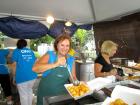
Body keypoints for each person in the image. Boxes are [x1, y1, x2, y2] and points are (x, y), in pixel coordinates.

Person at [32, 33, 77, 105]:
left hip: (61, 96)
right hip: (45, 95)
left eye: (67, 46)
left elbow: (73, 77)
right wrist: (55, 64)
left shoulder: (71, 59)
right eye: (62, 45)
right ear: (57, 45)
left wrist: (78, 83)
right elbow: (35, 68)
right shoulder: (50, 55)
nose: (65, 48)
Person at [11, 39, 37, 105]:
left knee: (23, 96)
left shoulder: (16, 51)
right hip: (32, 76)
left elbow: (14, 65)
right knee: (29, 92)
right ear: (25, 44)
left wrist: (14, 77)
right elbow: (34, 62)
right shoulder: (30, 51)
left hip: (22, 77)